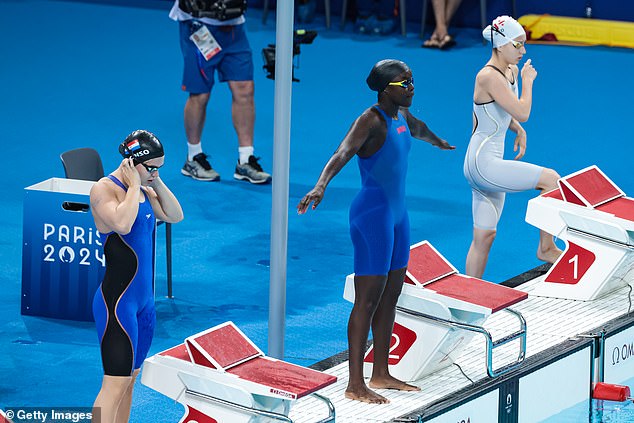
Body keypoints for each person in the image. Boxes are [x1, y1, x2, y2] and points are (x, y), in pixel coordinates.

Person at [298, 60, 455, 404]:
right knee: (367, 299)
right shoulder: (371, 120)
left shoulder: (401, 116)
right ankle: (355, 384)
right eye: (404, 84)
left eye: (412, 81)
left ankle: (380, 373)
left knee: (391, 294)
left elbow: (419, 128)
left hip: (398, 214)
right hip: (372, 215)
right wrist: (321, 185)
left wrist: (438, 141)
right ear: (385, 89)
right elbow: (342, 151)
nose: (412, 88)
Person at [90, 130, 184, 423]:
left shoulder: (146, 189)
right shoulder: (104, 189)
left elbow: (175, 215)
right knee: (113, 385)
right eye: (151, 167)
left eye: (159, 168)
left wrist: (153, 180)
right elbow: (122, 221)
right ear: (132, 163)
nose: (154, 173)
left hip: (144, 306)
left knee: (130, 381)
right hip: (117, 305)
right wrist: (133, 186)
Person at [463, 16, 562, 279]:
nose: (523, 51)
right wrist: (528, 82)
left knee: (484, 236)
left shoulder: (510, 71)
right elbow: (522, 110)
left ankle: (468, 295)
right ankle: (547, 247)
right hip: (484, 164)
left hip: (482, 163)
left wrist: (516, 128)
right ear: (501, 45)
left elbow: (499, 112)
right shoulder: (487, 76)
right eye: (518, 45)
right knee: (551, 180)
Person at [169, 0, 271, 184]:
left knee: (245, 89)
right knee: (200, 94)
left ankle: (246, 160)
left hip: (234, 28)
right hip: (199, 27)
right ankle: (193, 157)